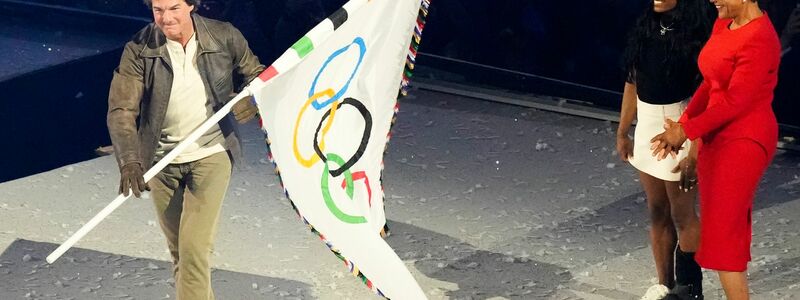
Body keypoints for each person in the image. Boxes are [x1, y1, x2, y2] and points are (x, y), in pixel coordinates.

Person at [106, 0, 264, 298]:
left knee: (193, 250)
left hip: (211, 154)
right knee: (181, 252)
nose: (165, 18)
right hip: (160, 162)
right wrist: (129, 160)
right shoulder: (139, 49)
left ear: (192, 5)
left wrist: (251, 98)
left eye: (174, 8)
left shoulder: (224, 35)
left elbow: (257, 74)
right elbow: (122, 110)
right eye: (158, 10)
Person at [650, 0, 782, 298]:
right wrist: (683, 127)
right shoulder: (724, 22)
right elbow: (710, 86)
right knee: (722, 236)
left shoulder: (760, 38)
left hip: (744, 141)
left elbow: (736, 101)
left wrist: (687, 130)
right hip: (715, 136)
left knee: (724, 240)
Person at [617, 0, 713, 299]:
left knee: (682, 214)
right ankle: (665, 285)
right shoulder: (645, 25)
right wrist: (623, 131)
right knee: (657, 211)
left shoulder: (696, 33)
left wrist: (694, 151)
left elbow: (707, 97)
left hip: (680, 124)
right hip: (646, 126)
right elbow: (632, 82)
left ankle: (690, 289)